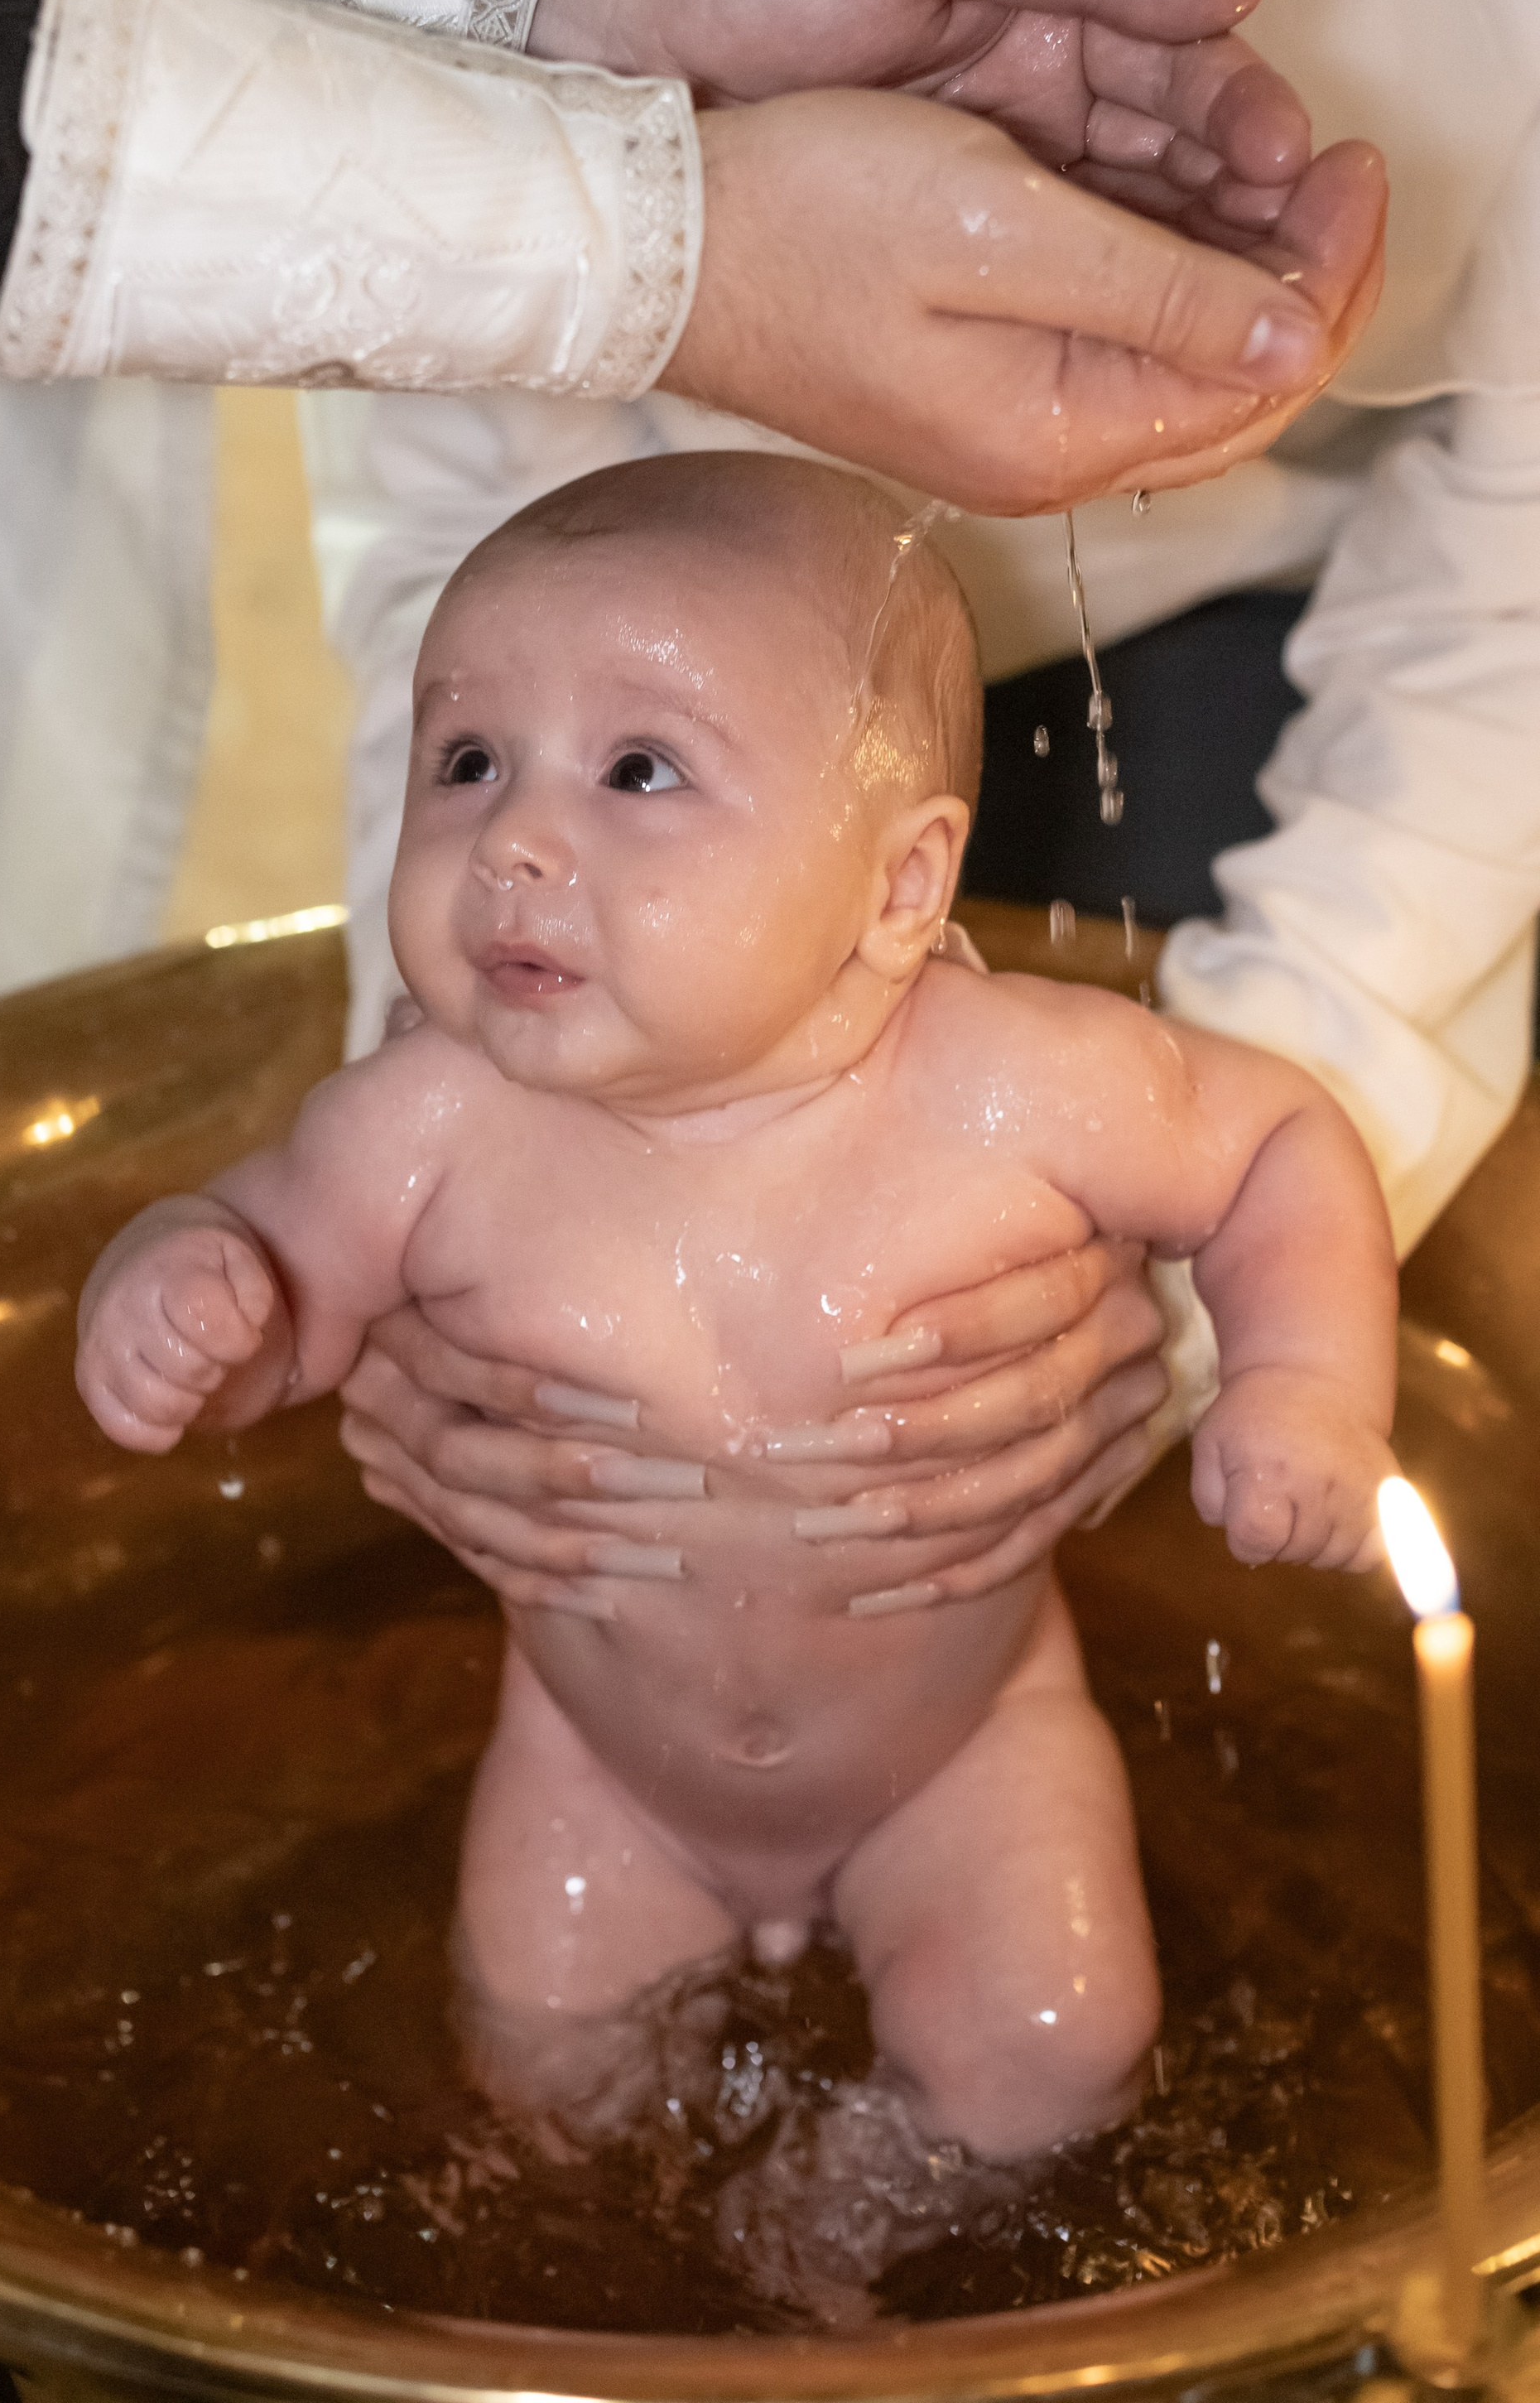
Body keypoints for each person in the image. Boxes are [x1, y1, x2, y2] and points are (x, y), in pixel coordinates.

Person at [257, 0, 1540, 1292]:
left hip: (1293, 667)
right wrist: (487, 1146)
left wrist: (1286, 1166)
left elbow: (1520, 528)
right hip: (642, 708)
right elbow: (461, 483)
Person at [75, 455, 1399, 2164]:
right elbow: (271, 1272)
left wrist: (1299, 1382)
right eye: (467, 760)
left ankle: (865, 2236)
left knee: (1057, 2052)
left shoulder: (1020, 1092)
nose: (516, 842)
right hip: (598, 1773)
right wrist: (191, 1289)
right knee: (541, 2084)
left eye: (639, 769)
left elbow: (1275, 1149)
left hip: (966, 1750)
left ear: (901, 888)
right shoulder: (429, 1126)